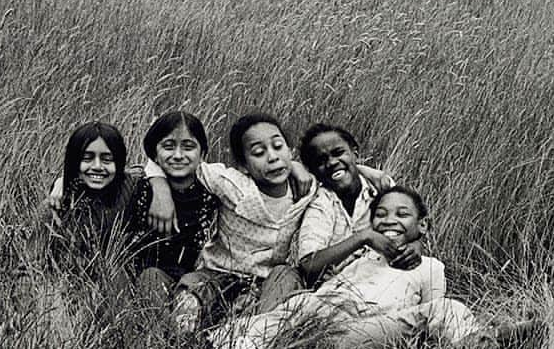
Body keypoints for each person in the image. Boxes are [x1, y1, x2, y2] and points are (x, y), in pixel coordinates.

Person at [208, 186, 545, 349]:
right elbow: (313, 269)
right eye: (380, 215)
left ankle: (480, 348)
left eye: (402, 214)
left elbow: (426, 322)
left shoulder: (429, 267)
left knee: (447, 310)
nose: (389, 220)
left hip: (355, 333)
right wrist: (366, 241)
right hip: (312, 315)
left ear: (422, 226)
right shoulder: (360, 254)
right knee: (231, 339)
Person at [145, 112, 318, 333]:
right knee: (194, 289)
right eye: (258, 152)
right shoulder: (231, 184)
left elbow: (341, 171)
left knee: (286, 274)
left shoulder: (306, 190)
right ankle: (182, 333)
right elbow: (171, 159)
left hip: (265, 284)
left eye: (278, 146)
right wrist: (160, 189)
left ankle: (252, 334)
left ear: (290, 150)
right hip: (217, 274)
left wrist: (297, 166)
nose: (272, 157)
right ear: (243, 165)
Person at [296, 123, 423, 286]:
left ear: (354, 153)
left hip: (383, 277)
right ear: (313, 171)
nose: (332, 162)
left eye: (338, 153)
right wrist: (363, 237)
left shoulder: (380, 187)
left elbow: (413, 229)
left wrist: (416, 245)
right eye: (321, 161)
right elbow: (309, 264)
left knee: (430, 270)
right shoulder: (321, 204)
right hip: (337, 287)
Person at [124, 111, 219, 306]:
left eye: (188, 147)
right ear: (155, 156)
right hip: (145, 283)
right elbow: (96, 180)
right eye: (168, 146)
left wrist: (295, 167)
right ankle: (165, 335)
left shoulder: (215, 191)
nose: (178, 155)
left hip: (195, 284)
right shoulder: (139, 187)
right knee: (151, 278)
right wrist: (60, 183)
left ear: (202, 154)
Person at [42, 121, 141, 277]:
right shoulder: (58, 203)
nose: (97, 166)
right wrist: (63, 181)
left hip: (117, 282)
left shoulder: (131, 186)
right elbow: (28, 264)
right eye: (87, 158)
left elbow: (145, 171)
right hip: (69, 285)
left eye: (107, 159)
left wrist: (160, 185)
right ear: (74, 162)